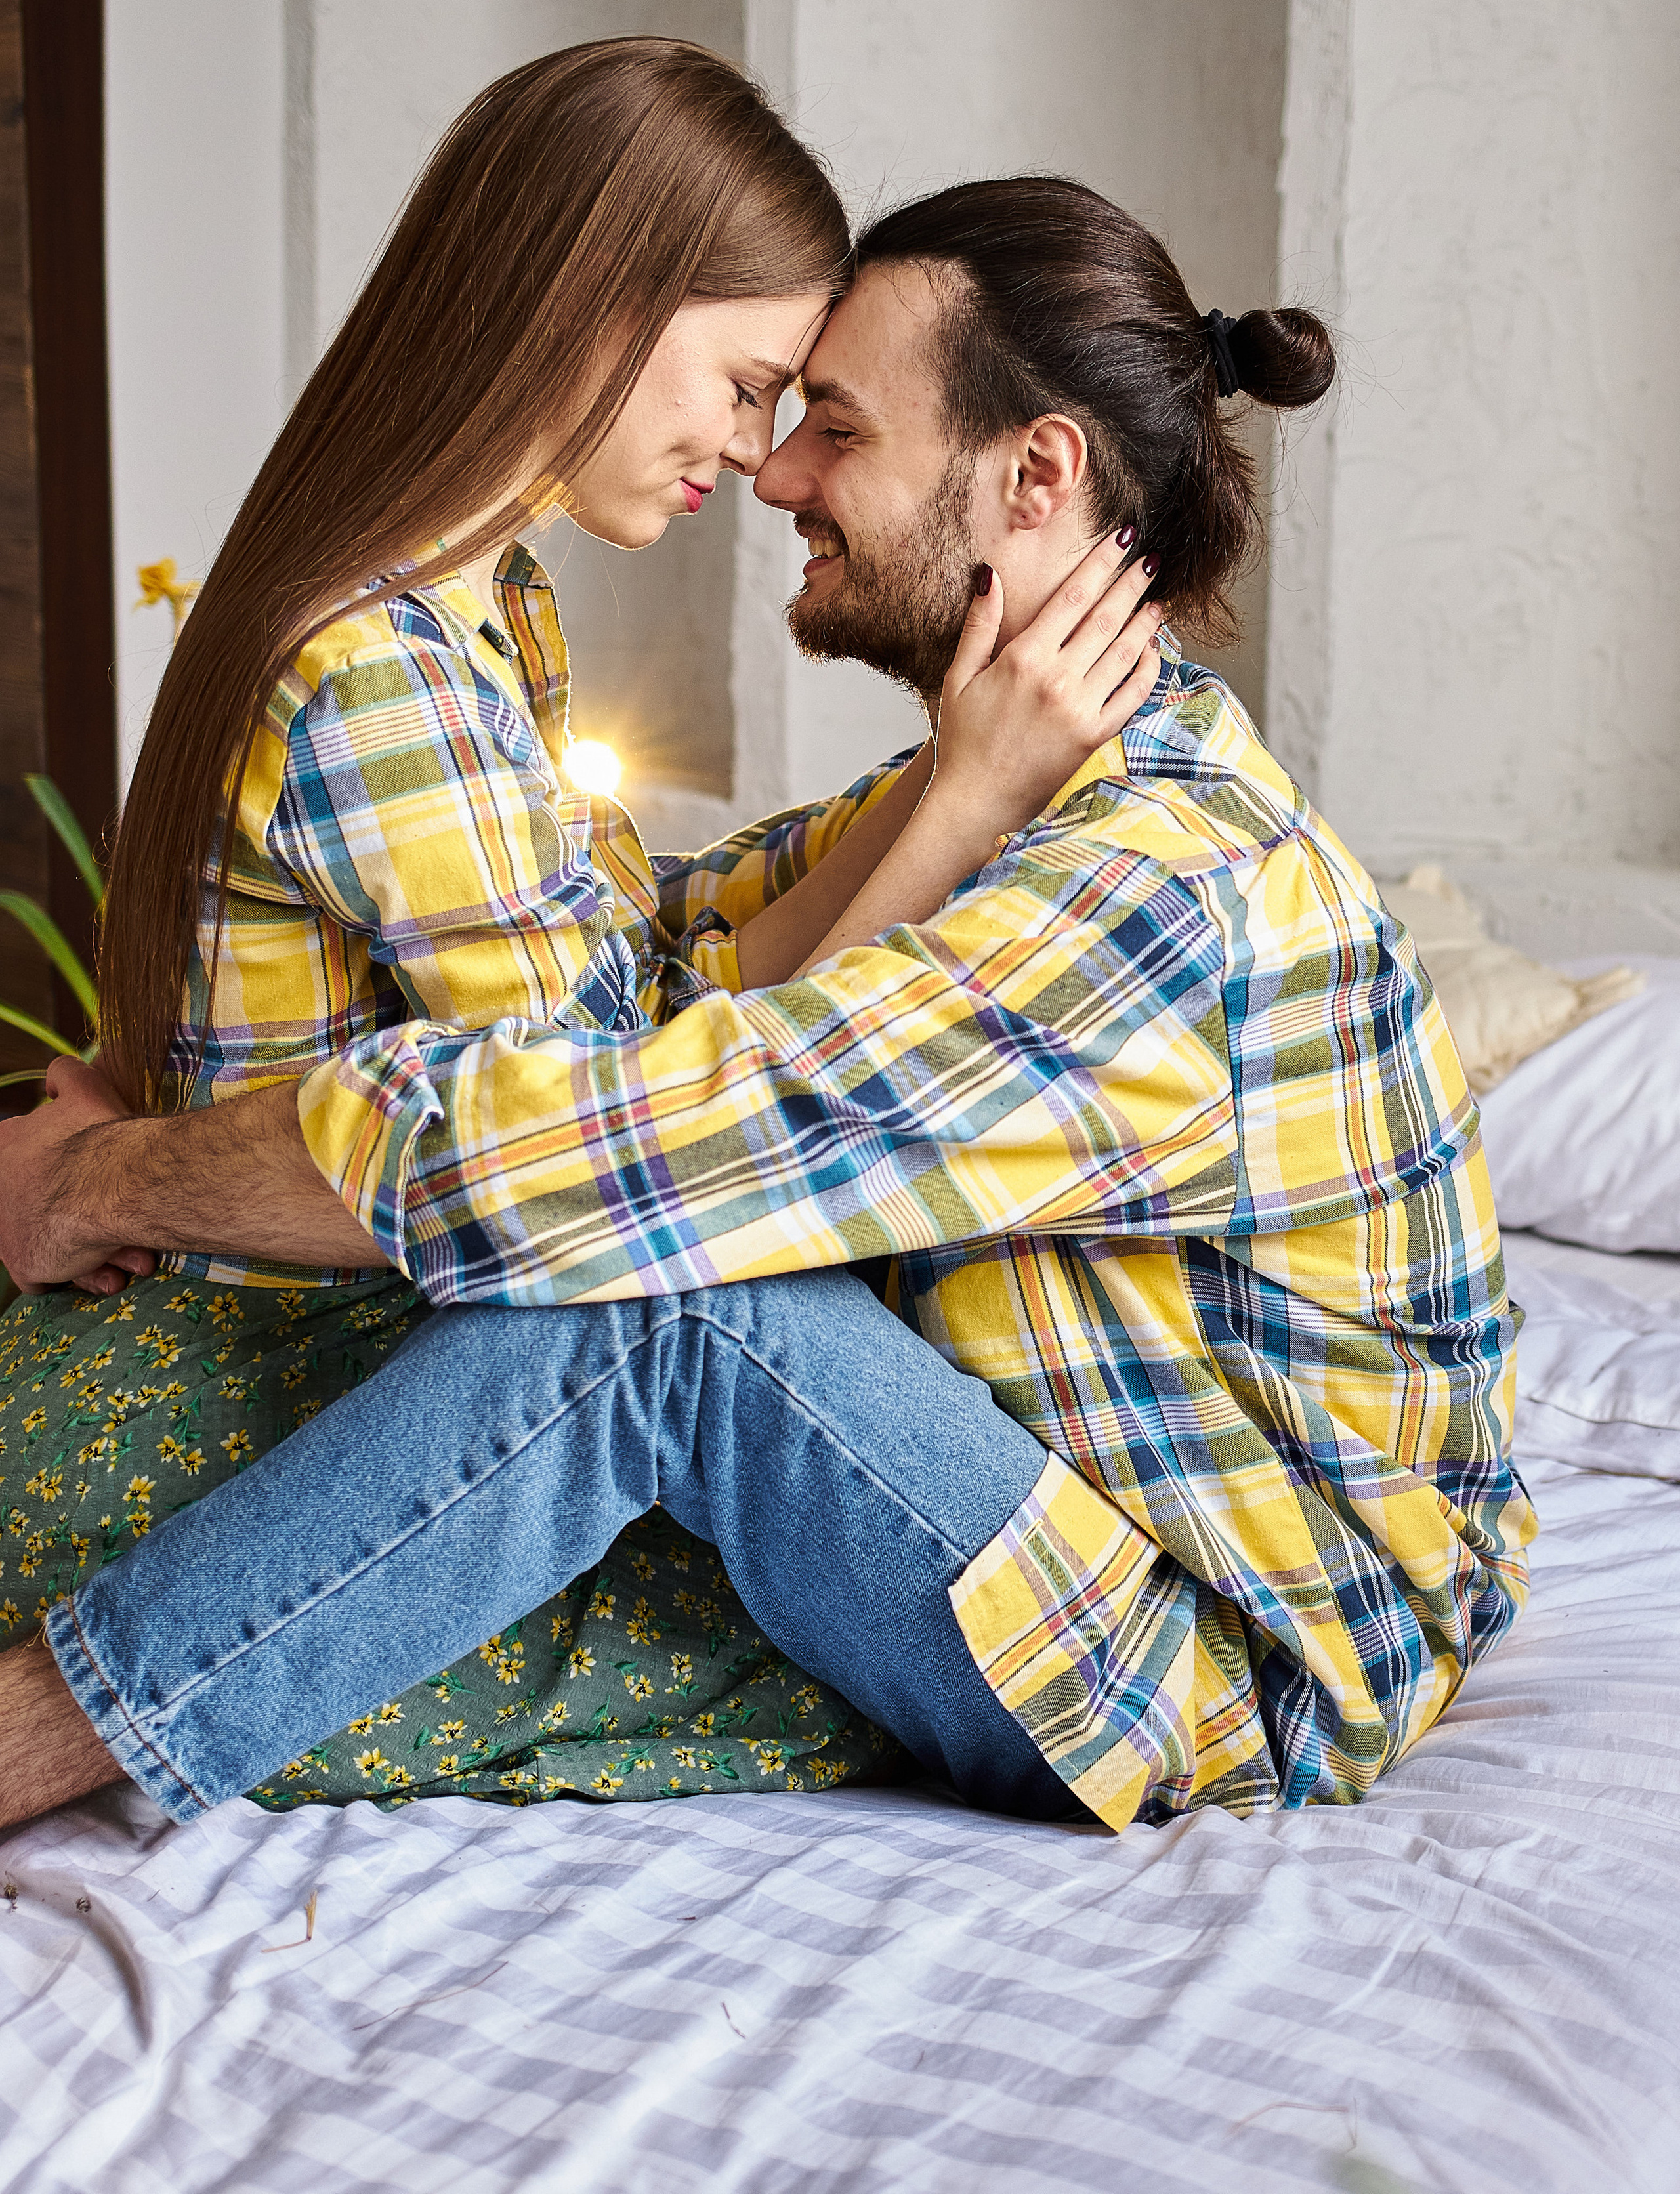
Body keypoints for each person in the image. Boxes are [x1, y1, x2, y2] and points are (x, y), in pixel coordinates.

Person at [0, 177, 1535, 1843]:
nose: (774, 470)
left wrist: (105, 1180)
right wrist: (938, 805)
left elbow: (608, 1147)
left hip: (1206, 1643)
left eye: (831, 426)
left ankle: (43, 1730)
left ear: (1035, 475)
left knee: (670, 1312)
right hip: (1016, 1491)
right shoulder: (1004, 777)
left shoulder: (1154, 892)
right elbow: (663, 953)